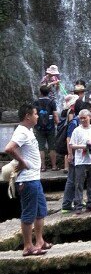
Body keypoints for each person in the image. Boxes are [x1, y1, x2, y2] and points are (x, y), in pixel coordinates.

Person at [5, 104, 51, 255]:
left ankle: (40, 241)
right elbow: (9, 148)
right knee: (29, 213)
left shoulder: (28, 131)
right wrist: (22, 162)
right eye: (36, 114)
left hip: (34, 178)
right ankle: (27, 246)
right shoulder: (21, 132)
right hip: (27, 180)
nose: (38, 116)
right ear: (28, 116)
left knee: (40, 211)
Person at [69, 109, 91, 212]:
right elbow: (72, 145)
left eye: (85, 118)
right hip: (81, 160)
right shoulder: (77, 130)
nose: (83, 120)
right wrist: (84, 147)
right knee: (79, 183)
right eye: (81, 118)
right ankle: (78, 206)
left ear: (90, 117)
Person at [60, 100, 88, 213]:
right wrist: (70, 154)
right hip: (75, 156)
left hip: (79, 156)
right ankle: (67, 204)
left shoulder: (78, 122)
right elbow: (68, 139)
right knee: (72, 179)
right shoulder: (74, 123)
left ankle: (77, 200)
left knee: (78, 178)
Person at [33, 83, 59, 172]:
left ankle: (42, 167)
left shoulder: (36, 102)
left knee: (41, 147)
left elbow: (34, 114)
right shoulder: (52, 102)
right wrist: (58, 124)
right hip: (50, 127)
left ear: (40, 92)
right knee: (52, 147)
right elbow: (55, 115)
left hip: (39, 127)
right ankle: (54, 166)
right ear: (49, 92)